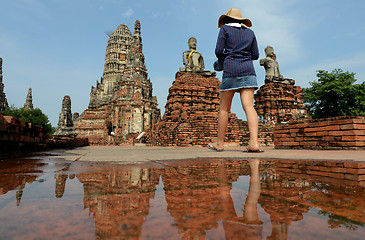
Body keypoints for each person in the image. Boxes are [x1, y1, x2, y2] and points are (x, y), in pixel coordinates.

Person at [208, 8, 263, 152]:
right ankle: (254, 143)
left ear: (226, 20)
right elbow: (255, 55)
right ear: (241, 20)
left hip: (231, 69)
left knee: (224, 108)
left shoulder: (225, 30)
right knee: (249, 106)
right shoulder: (250, 32)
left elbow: (218, 51)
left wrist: (226, 58)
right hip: (248, 70)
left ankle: (220, 144)